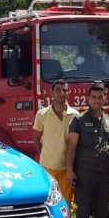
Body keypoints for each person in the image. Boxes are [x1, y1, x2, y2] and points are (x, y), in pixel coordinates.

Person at [66, 82, 109, 218]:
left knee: (102, 210)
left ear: (105, 98)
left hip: (103, 175)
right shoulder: (78, 120)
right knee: (83, 211)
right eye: (94, 97)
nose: (97, 100)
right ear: (88, 98)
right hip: (84, 173)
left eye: (100, 97)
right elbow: (71, 147)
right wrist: (70, 170)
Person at [33, 80, 79, 210]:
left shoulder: (75, 115)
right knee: (48, 203)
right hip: (47, 167)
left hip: (67, 169)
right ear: (52, 93)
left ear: (69, 92)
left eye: (65, 90)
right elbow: (36, 138)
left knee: (66, 204)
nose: (61, 93)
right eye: (58, 90)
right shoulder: (42, 114)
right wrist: (45, 154)